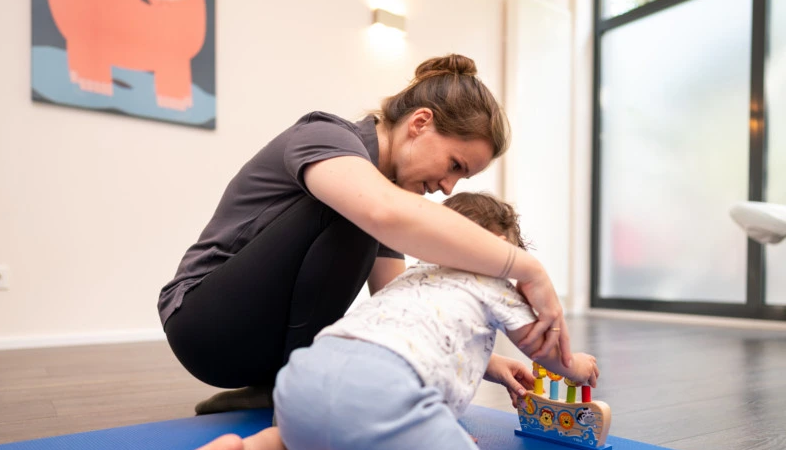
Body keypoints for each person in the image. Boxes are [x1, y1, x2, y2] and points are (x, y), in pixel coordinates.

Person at [158, 53, 572, 416]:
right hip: (202, 322)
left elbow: (401, 303)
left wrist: (488, 364)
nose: (449, 187)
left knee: (377, 233)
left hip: (257, 349)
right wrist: (528, 268)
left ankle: (280, 386)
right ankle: (299, 388)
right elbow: (382, 212)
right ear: (420, 122)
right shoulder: (325, 137)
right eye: (454, 165)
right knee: (359, 213)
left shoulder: (388, 196)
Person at [159, 192, 599, 450]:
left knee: (300, 443)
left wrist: (495, 367)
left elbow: (429, 339)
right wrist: (577, 366)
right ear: (507, 250)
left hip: (304, 376)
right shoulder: (497, 283)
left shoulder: (415, 275)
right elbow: (546, 351)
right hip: (383, 391)